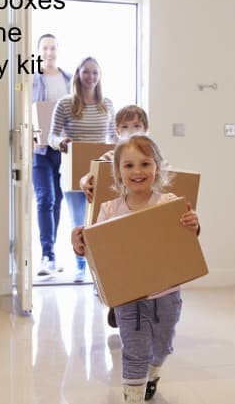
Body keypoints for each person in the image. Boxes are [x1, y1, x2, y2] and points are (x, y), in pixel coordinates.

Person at [72, 135, 200, 403]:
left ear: (157, 168)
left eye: (145, 163)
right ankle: (133, 396)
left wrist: (193, 225)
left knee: (162, 346)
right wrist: (79, 244)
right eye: (128, 166)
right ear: (118, 173)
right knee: (134, 350)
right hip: (128, 298)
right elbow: (97, 253)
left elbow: (186, 241)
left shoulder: (169, 203)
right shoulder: (109, 210)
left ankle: (154, 372)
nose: (137, 171)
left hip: (167, 293)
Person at [78, 104, 150, 327]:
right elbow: (92, 173)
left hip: (143, 221)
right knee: (119, 266)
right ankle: (116, 305)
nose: (131, 131)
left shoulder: (152, 155)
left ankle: (140, 310)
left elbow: (167, 177)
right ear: (117, 132)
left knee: (141, 266)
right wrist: (84, 181)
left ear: (146, 129)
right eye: (125, 127)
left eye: (136, 126)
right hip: (118, 220)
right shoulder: (112, 155)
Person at [48, 56, 117, 282]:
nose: (91, 77)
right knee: (79, 221)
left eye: (95, 72)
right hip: (74, 172)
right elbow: (52, 136)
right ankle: (80, 266)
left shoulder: (106, 104)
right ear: (78, 74)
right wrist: (61, 142)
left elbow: (114, 137)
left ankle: (98, 272)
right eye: (86, 72)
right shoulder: (66, 104)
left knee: (101, 222)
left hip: (102, 173)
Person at [32, 34, 72, 276]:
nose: (49, 52)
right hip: (40, 149)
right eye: (45, 48)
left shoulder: (68, 79)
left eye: (53, 48)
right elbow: (26, 107)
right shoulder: (32, 78)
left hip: (63, 148)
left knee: (58, 199)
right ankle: (47, 255)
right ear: (39, 51)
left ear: (58, 50)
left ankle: (52, 252)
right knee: (44, 198)